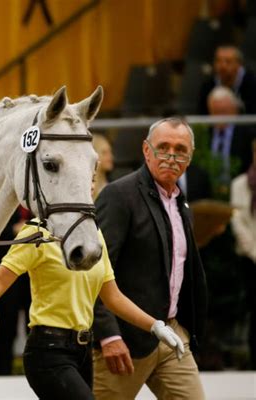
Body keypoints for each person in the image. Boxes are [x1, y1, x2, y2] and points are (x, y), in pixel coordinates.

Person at [0, 216, 185, 398]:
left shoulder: (94, 234)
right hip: (48, 351)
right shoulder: (37, 232)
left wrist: (155, 325)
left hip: (83, 351)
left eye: (90, 177)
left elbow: (113, 297)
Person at [93, 117, 208, 399]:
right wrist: (108, 335)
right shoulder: (119, 195)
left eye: (180, 150)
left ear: (189, 158)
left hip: (171, 335)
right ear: (146, 150)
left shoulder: (182, 204)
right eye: (163, 147)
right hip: (123, 339)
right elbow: (92, 271)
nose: (171, 156)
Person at [0, 207, 31, 375]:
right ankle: (1, 373)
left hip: (30, 274)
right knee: (6, 326)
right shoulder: (5, 201)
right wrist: (14, 230)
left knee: (34, 324)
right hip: (4, 270)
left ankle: (34, 370)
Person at [230, 139, 256, 369]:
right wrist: (254, 252)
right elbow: (237, 221)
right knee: (251, 308)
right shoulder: (239, 184)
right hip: (248, 259)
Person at [206, 86, 256, 194]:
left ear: (234, 111)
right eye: (215, 112)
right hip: (210, 190)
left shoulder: (248, 134)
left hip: (239, 188)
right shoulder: (204, 132)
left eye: (223, 112)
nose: (219, 117)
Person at [198, 45, 256, 115]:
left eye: (228, 61)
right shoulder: (208, 86)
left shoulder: (252, 84)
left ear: (239, 64)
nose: (223, 66)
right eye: (218, 61)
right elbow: (202, 115)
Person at [92, 134, 114, 200]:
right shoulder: (87, 189)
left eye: (110, 152)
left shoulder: (111, 186)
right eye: (104, 153)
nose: (111, 157)